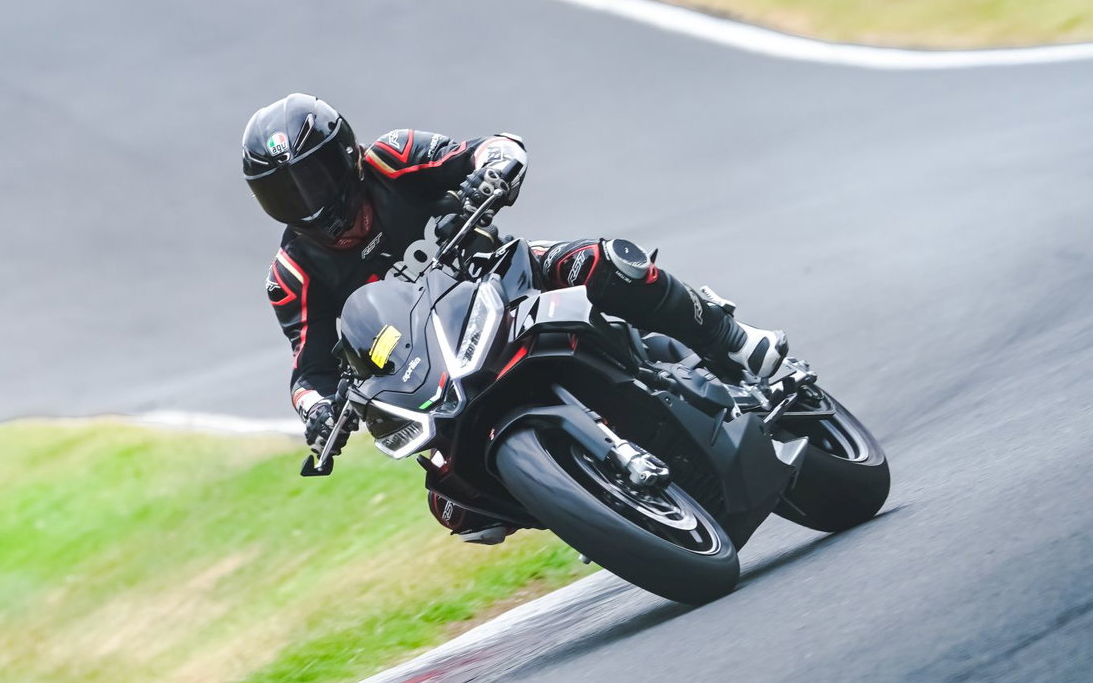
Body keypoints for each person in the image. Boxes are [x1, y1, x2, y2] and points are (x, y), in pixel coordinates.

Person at [242, 93, 787, 543]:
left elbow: (492, 146)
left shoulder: (394, 155)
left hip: (504, 280)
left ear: (347, 155)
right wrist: (316, 411)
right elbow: (308, 371)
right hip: (433, 366)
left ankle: (732, 340)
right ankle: (588, 501)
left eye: (313, 179)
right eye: (284, 193)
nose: (307, 202)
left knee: (607, 263)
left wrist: (493, 172)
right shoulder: (293, 274)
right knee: (454, 505)